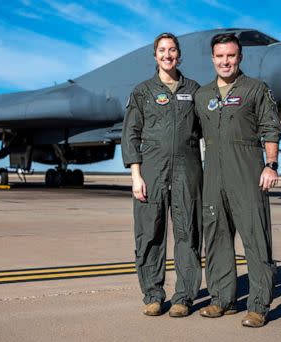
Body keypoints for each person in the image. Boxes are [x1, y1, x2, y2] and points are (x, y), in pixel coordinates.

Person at [194, 33, 281, 327]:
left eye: (230, 56)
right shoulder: (202, 95)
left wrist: (271, 165)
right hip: (213, 174)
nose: (225, 61)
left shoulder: (256, 89)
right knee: (217, 238)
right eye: (220, 56)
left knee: (256, 239)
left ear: (240, 57)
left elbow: (271, 127)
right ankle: (222, 299)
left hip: (247, 172)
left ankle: (258, 306)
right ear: (212, 59)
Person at [121, 33, 202, 317]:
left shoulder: (194, 90)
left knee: (188, 234)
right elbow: (130, 134)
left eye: (172, 50)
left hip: (187, 171)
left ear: (179, 55)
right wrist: (136, 175)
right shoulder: (142, 91)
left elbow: (209, 132)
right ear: (155, 56)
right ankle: (153, 295)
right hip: (152, 172)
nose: (168, 55)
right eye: (162, 50)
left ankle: (184, 296)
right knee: (149, 235)